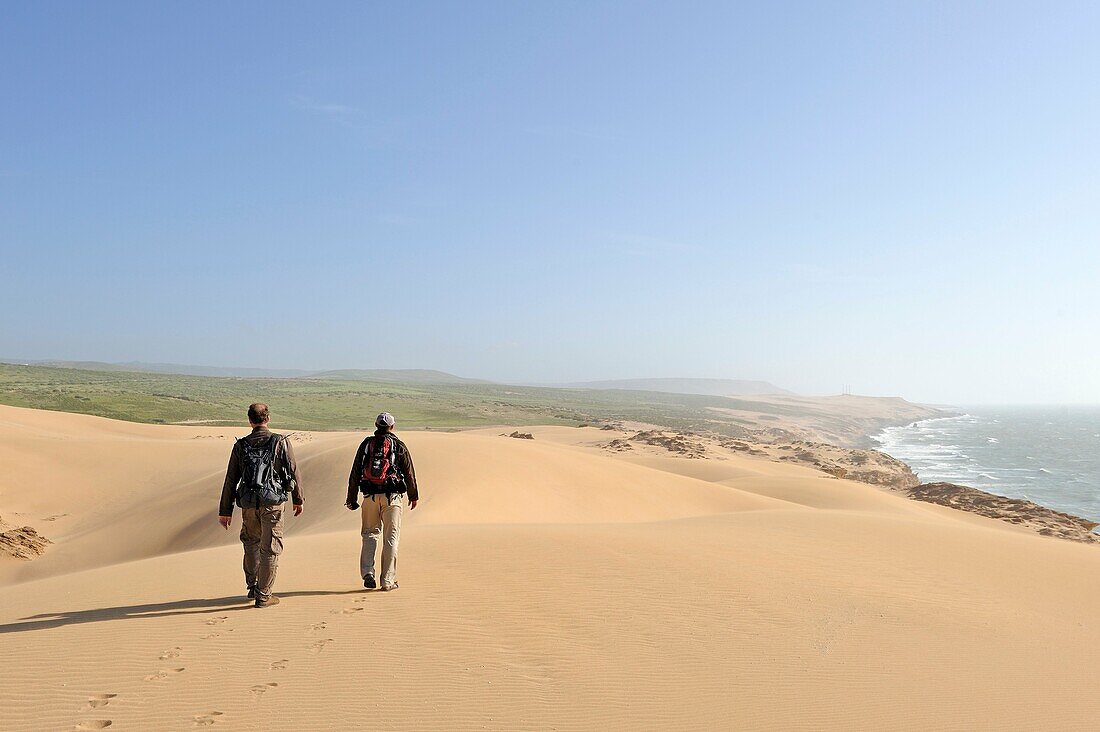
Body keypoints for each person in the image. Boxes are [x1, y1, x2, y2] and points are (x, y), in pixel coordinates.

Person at [218, 403, 304, 608]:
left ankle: (253, 586)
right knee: (270, 548)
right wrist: (298, 499)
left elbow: (231, 479)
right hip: (273, 503)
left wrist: (225, 511)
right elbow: (293, 470)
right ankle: (264, 595)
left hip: (248, 503)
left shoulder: (241, 445)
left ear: (250, 421)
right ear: (268, 419)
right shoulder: (279, 442)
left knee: (251, 543)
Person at [345, 412, 419, 591]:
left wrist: (351, 498)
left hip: (370, 496)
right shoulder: (398, 445)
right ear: (392, 427)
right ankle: (387, 581)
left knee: (369, 534)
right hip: (392, 498)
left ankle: (367, 572)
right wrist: (413, 495)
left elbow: (355, 471)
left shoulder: (366, 444)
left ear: (376, 425)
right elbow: (409, 472)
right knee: (391, 539)